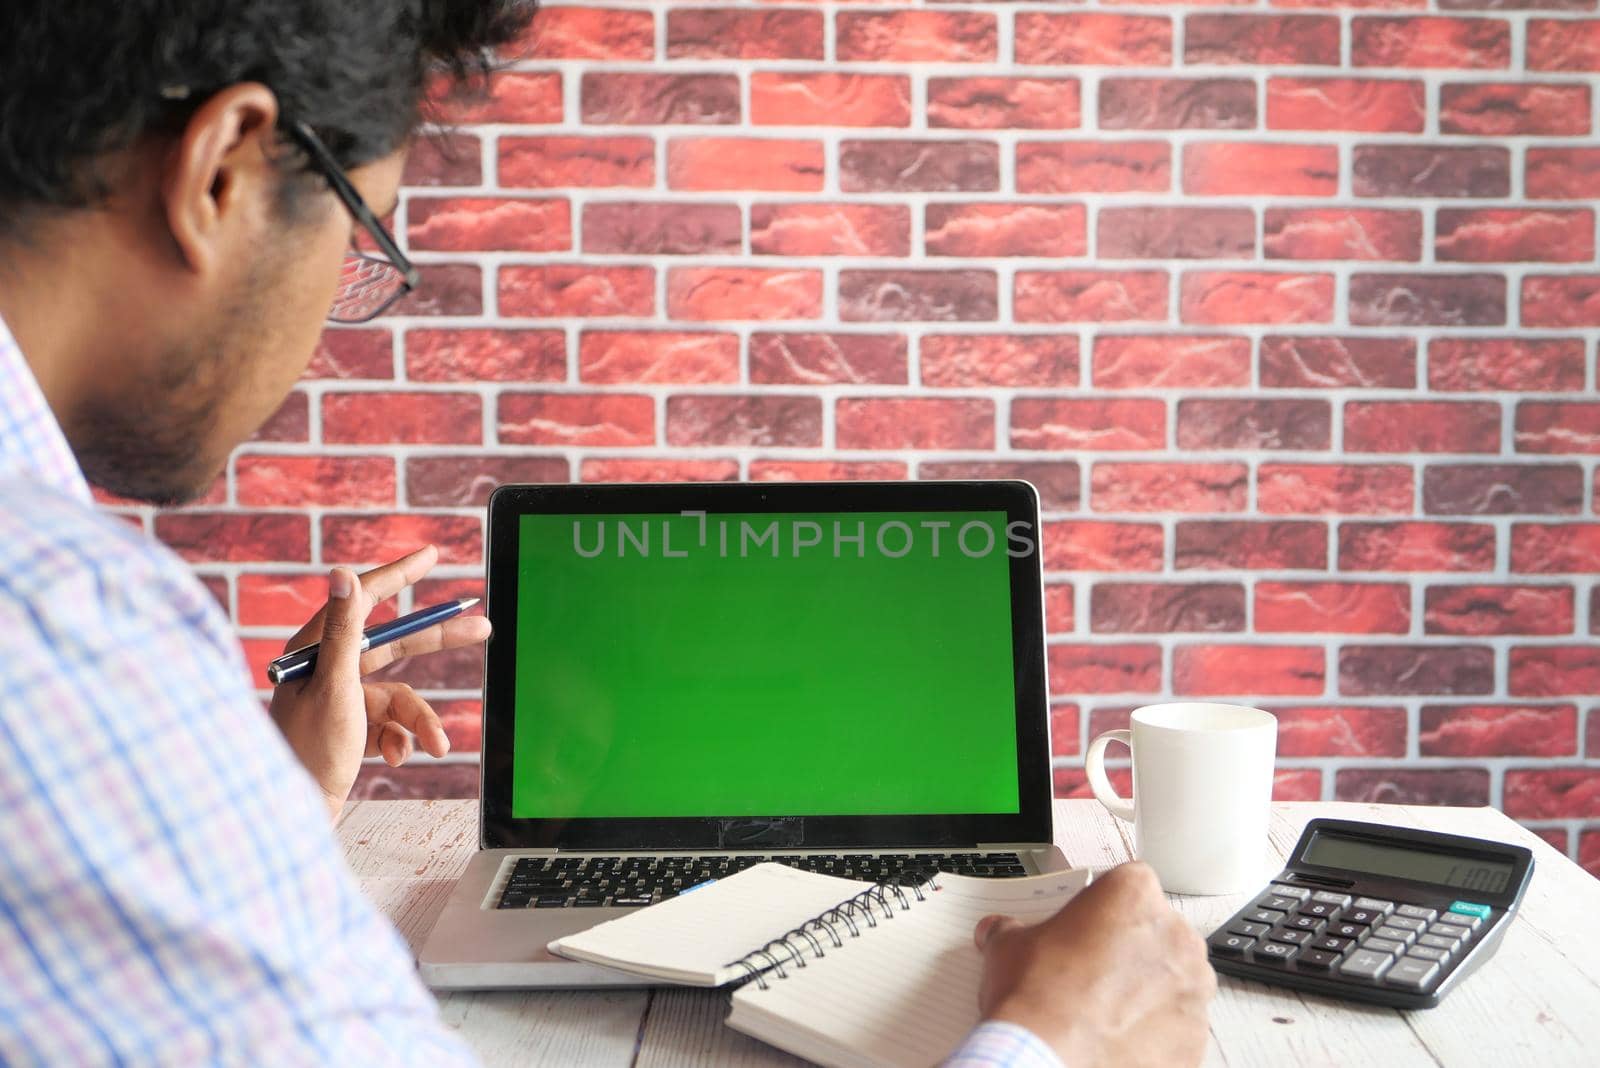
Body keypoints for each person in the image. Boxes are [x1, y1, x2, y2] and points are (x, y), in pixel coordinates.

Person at [0, 2, 1215, 1064]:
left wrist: (251, 808)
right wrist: (1057, 1043)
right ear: (222, 167)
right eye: (359, 244)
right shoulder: (63, 623)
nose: (332, 314)